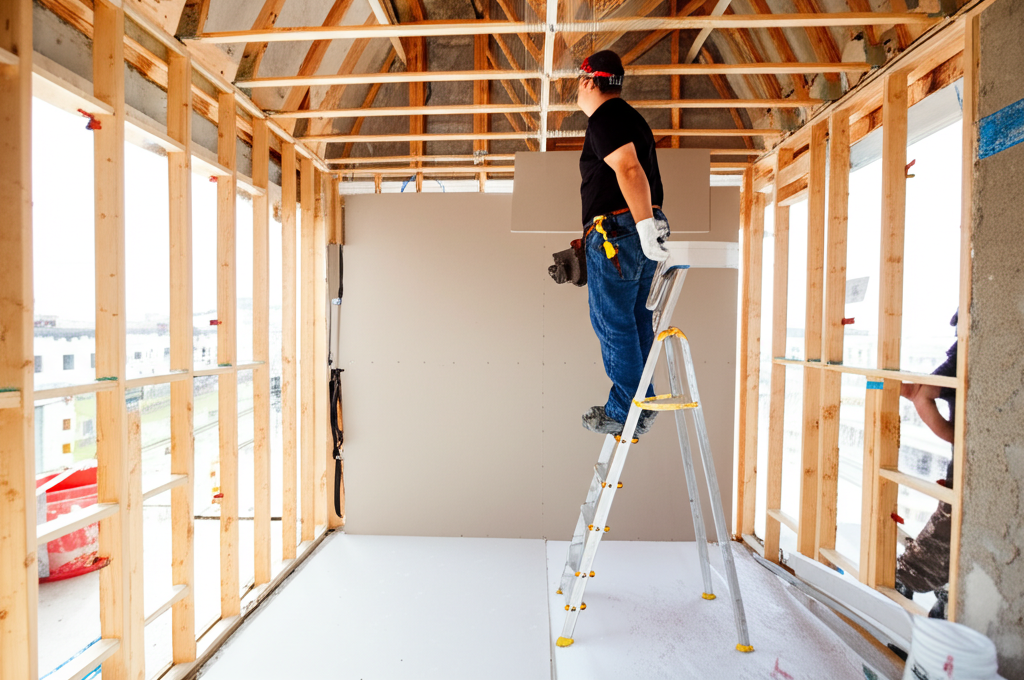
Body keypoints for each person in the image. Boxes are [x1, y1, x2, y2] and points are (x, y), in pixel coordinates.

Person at [575, 50, 671, 437]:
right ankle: (640, 403)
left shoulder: (605, 118)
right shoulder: (631, 118)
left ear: (588, 82)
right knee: (633, 322)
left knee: (612, 322)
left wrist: (643, 226)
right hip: (637, 230)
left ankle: (624, 408)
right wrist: (648, 227)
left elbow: (629, 168)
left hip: (620, 231)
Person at [896, 310, 959, 619]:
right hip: (966, 476)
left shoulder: (963, 355)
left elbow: (917, 393)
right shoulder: (965, 357)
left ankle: (941, 605)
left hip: (967, 475)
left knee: (947, 548)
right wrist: (954, 435)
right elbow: (922, 394)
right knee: (933, 552)